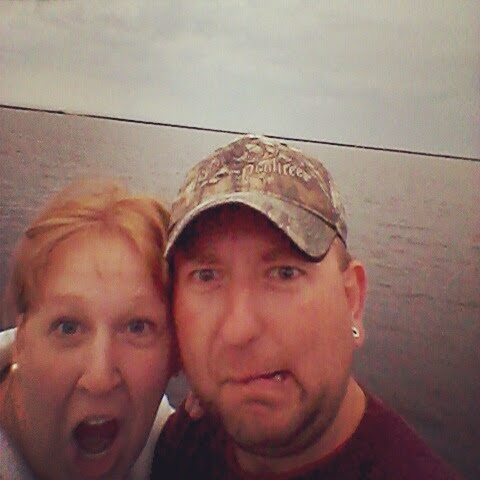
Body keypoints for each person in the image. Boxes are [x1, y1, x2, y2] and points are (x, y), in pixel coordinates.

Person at [151, 135, 460, 479]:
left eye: (284, 273)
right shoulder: (177, 447)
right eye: (206, 276)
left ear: (352, 301)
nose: (239, 330)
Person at [0, 179, 177, 479]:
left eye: (137, 328)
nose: (100, 379)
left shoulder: (173, 448)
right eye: (68, 328)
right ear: (21, 340)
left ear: (175, 357)